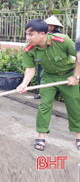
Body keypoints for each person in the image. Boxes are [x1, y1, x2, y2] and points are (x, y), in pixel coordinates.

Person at [16, 18, 80, 151]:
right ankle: (41, 135)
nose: (27, 38)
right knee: (44, 105)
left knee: (74, 105)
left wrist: (76, 76)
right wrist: (24, 83)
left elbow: (79, 56)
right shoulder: (29, 50)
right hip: (48, 77)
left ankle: (79, 136)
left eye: (31, 34)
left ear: (42, 34)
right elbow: (30, 68)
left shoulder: (62, 40)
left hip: (67, 75)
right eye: (26, 34)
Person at [34, 16, 63, 99]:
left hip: (54, 58)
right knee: (41, 74)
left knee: (53, 75)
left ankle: (54, 94)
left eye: (52, 26)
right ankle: (41, 93)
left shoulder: (58, 34)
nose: (50, 27)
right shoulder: (41, 33)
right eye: (49, 25)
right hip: (42, 57)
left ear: (55, 26)